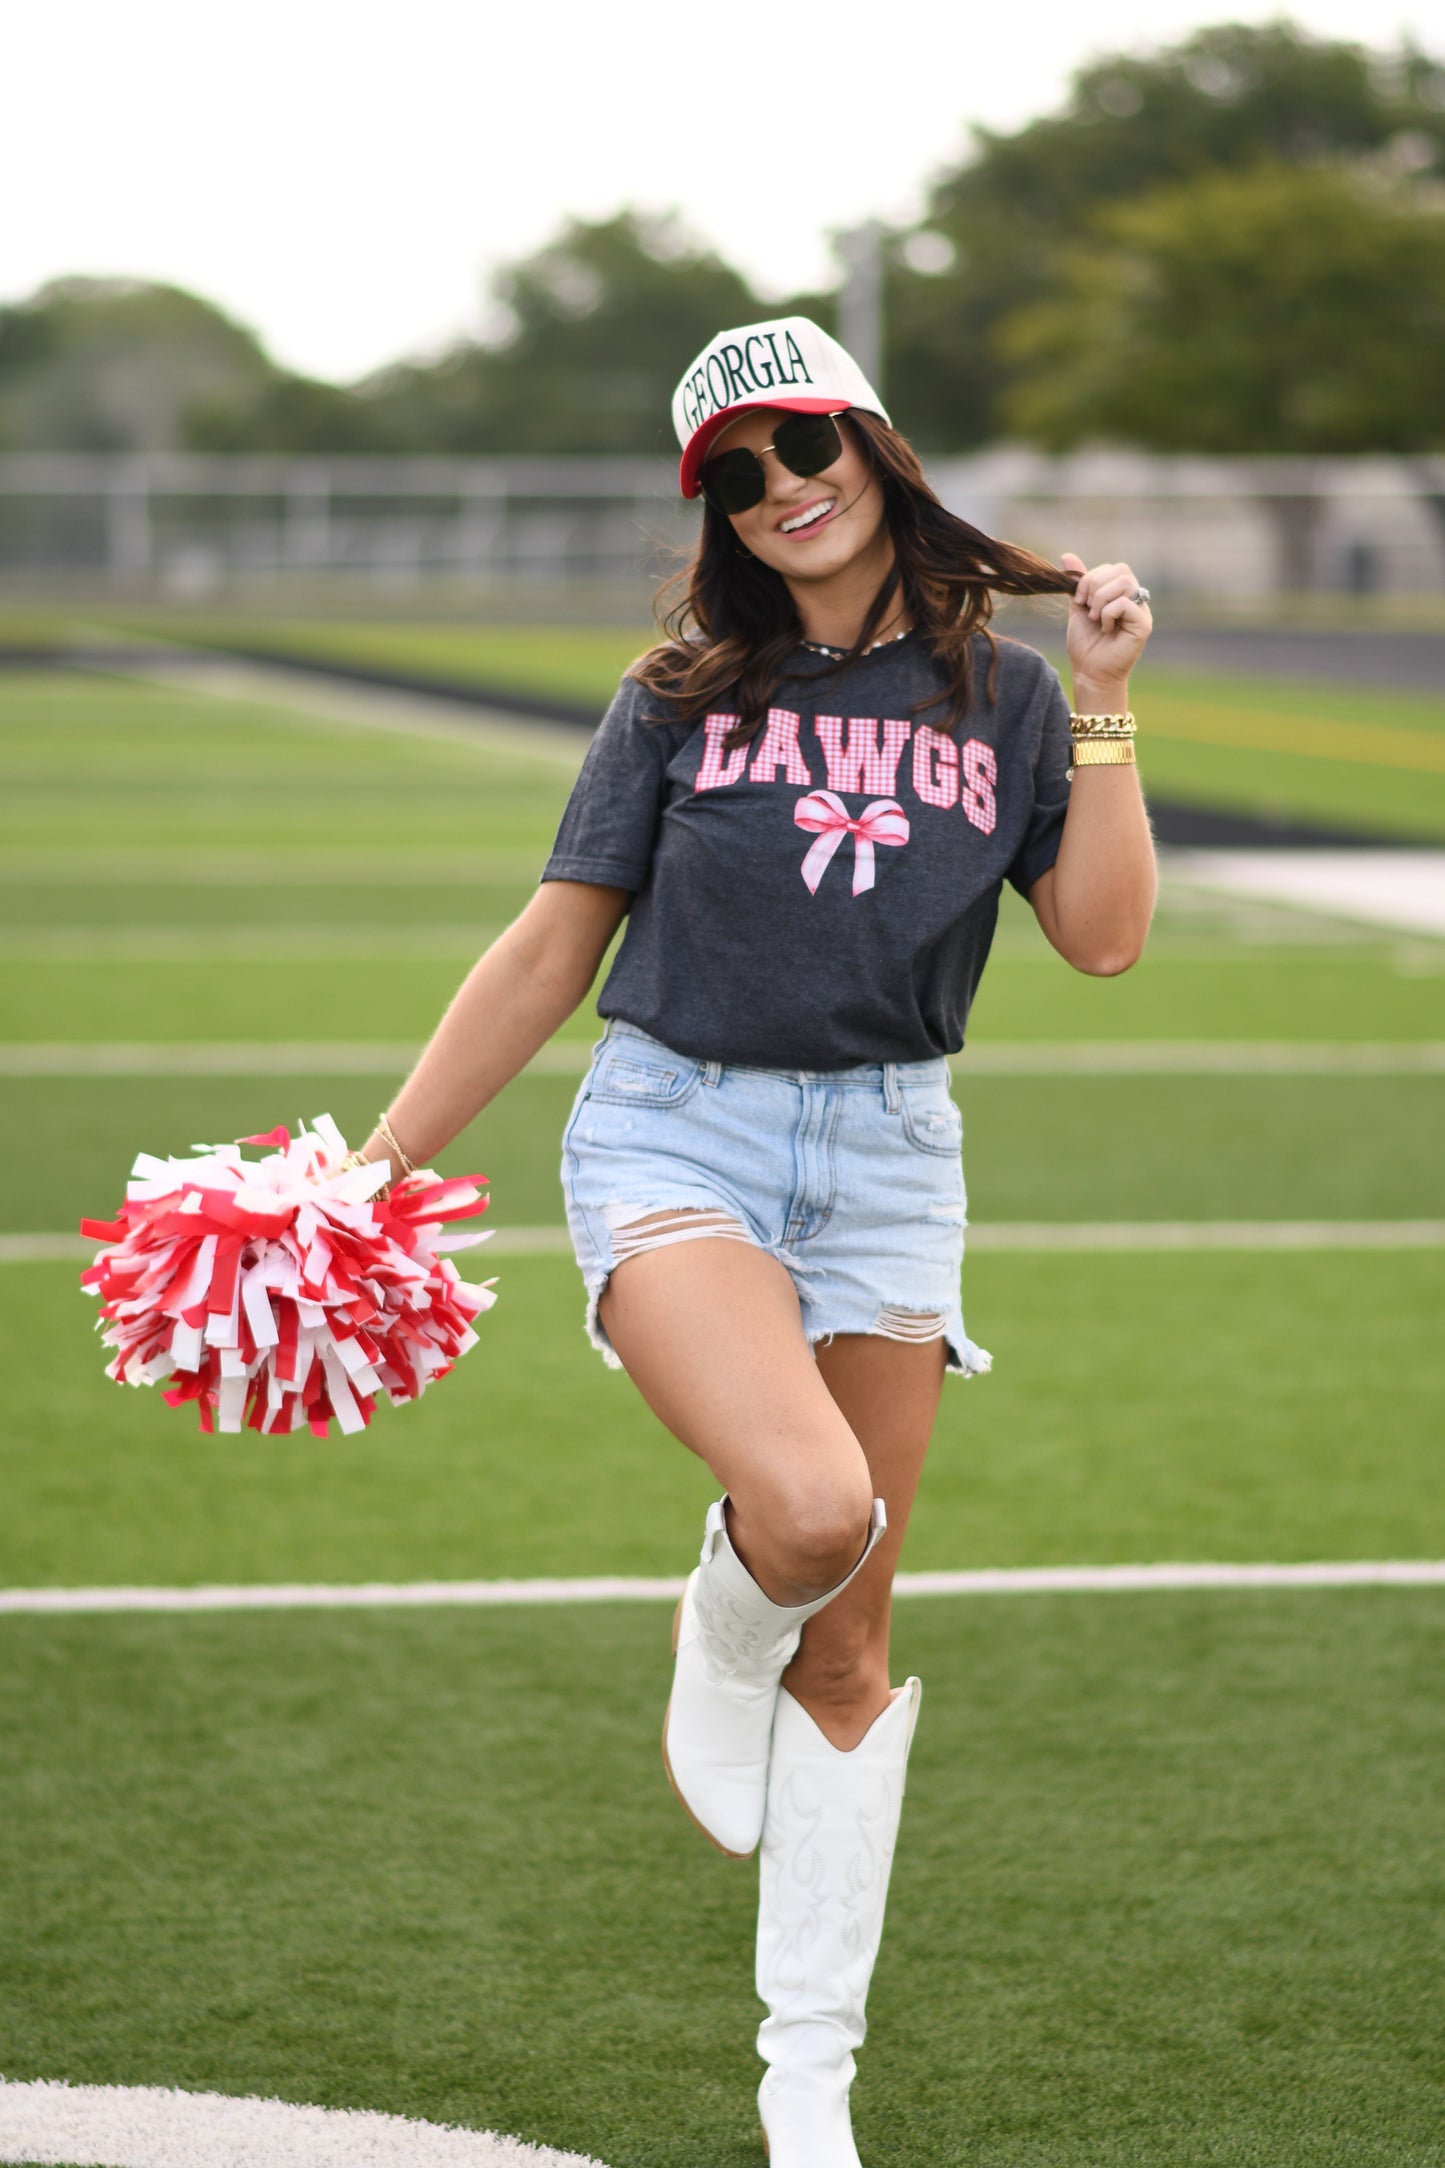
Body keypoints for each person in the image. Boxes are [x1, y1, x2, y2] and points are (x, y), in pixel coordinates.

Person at [347, 316, 1157, 2167]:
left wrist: (1106, 695)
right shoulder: (681, 689)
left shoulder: (1006, 694)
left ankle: (810, 2091)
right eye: (735, 471)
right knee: (806, 1519)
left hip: (890, 1158)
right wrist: (381, 1163)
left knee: (854, 1653)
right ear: (710, 506)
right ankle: (722, 1639)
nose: (782, 490)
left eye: (806, 448)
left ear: (874, 449)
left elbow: (1102, 940)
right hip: (675, 1126)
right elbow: (554, 940)